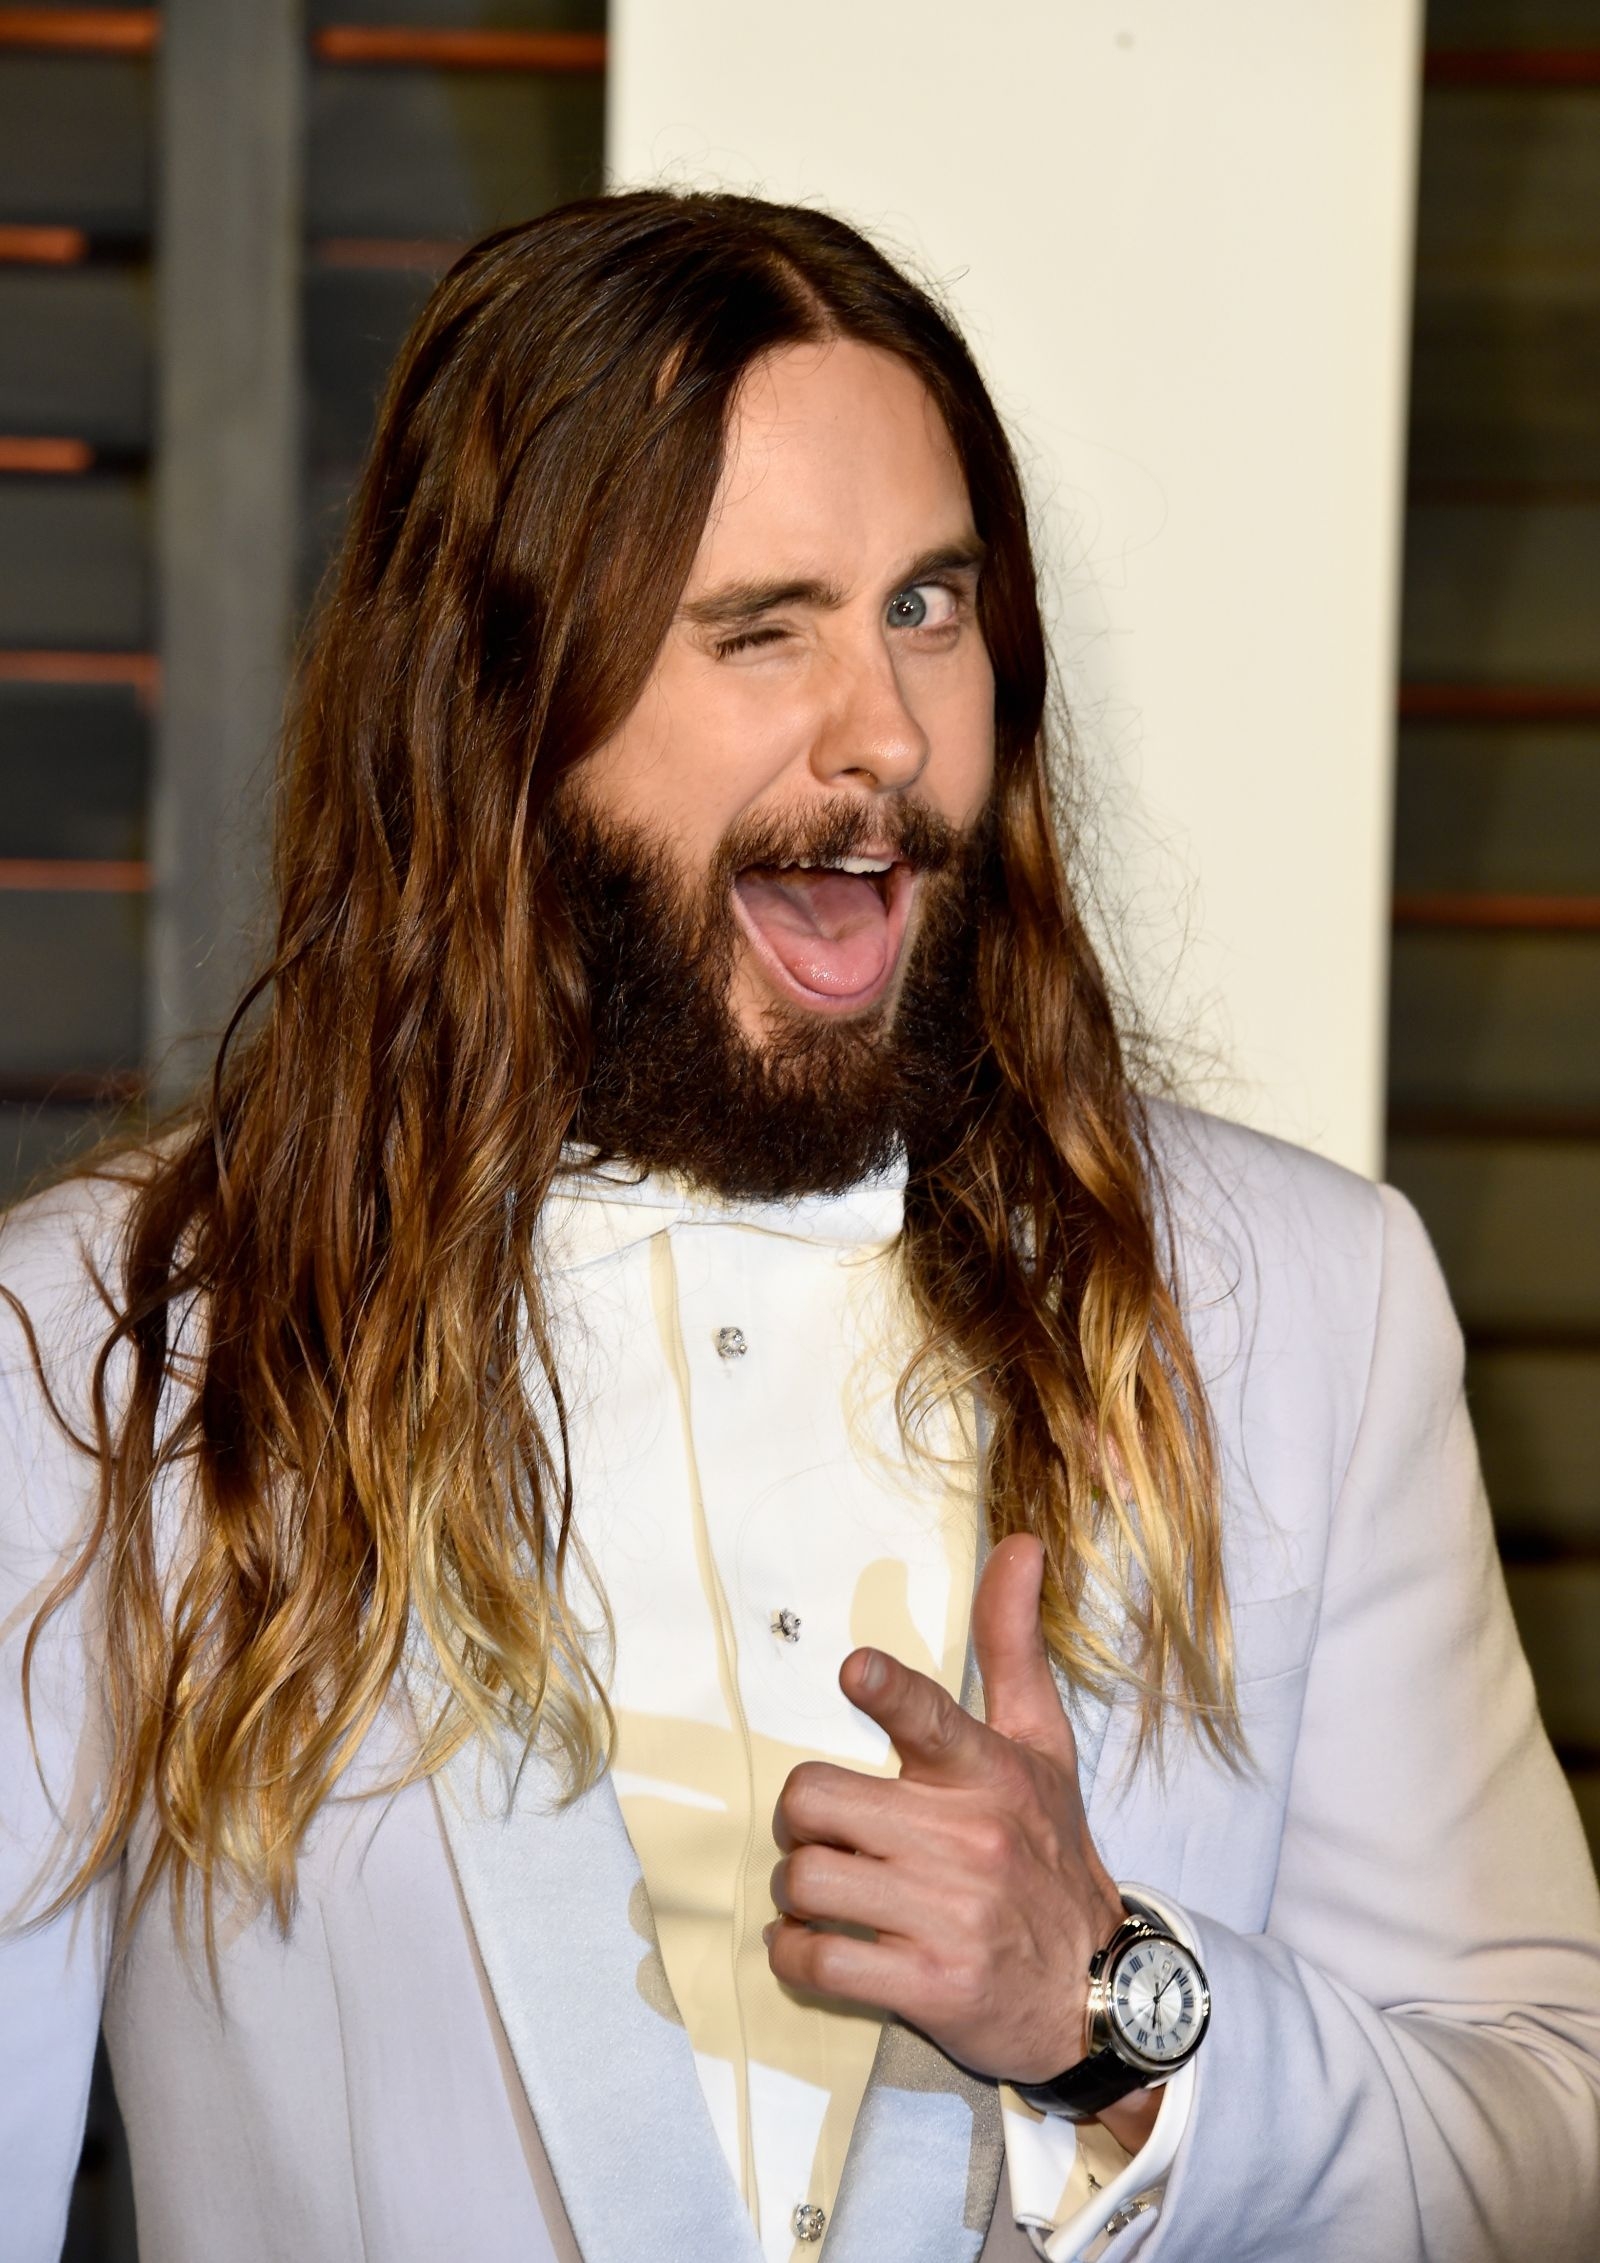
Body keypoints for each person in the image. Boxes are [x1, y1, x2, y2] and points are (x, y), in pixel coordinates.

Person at [2, 191, 1597, 2263]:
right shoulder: (110, 1347)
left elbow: (1547, 2145)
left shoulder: (1299, 1305)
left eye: (926, 606)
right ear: (501, 702)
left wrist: (1111, 2013)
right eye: (761, 629)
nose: (888, 736)